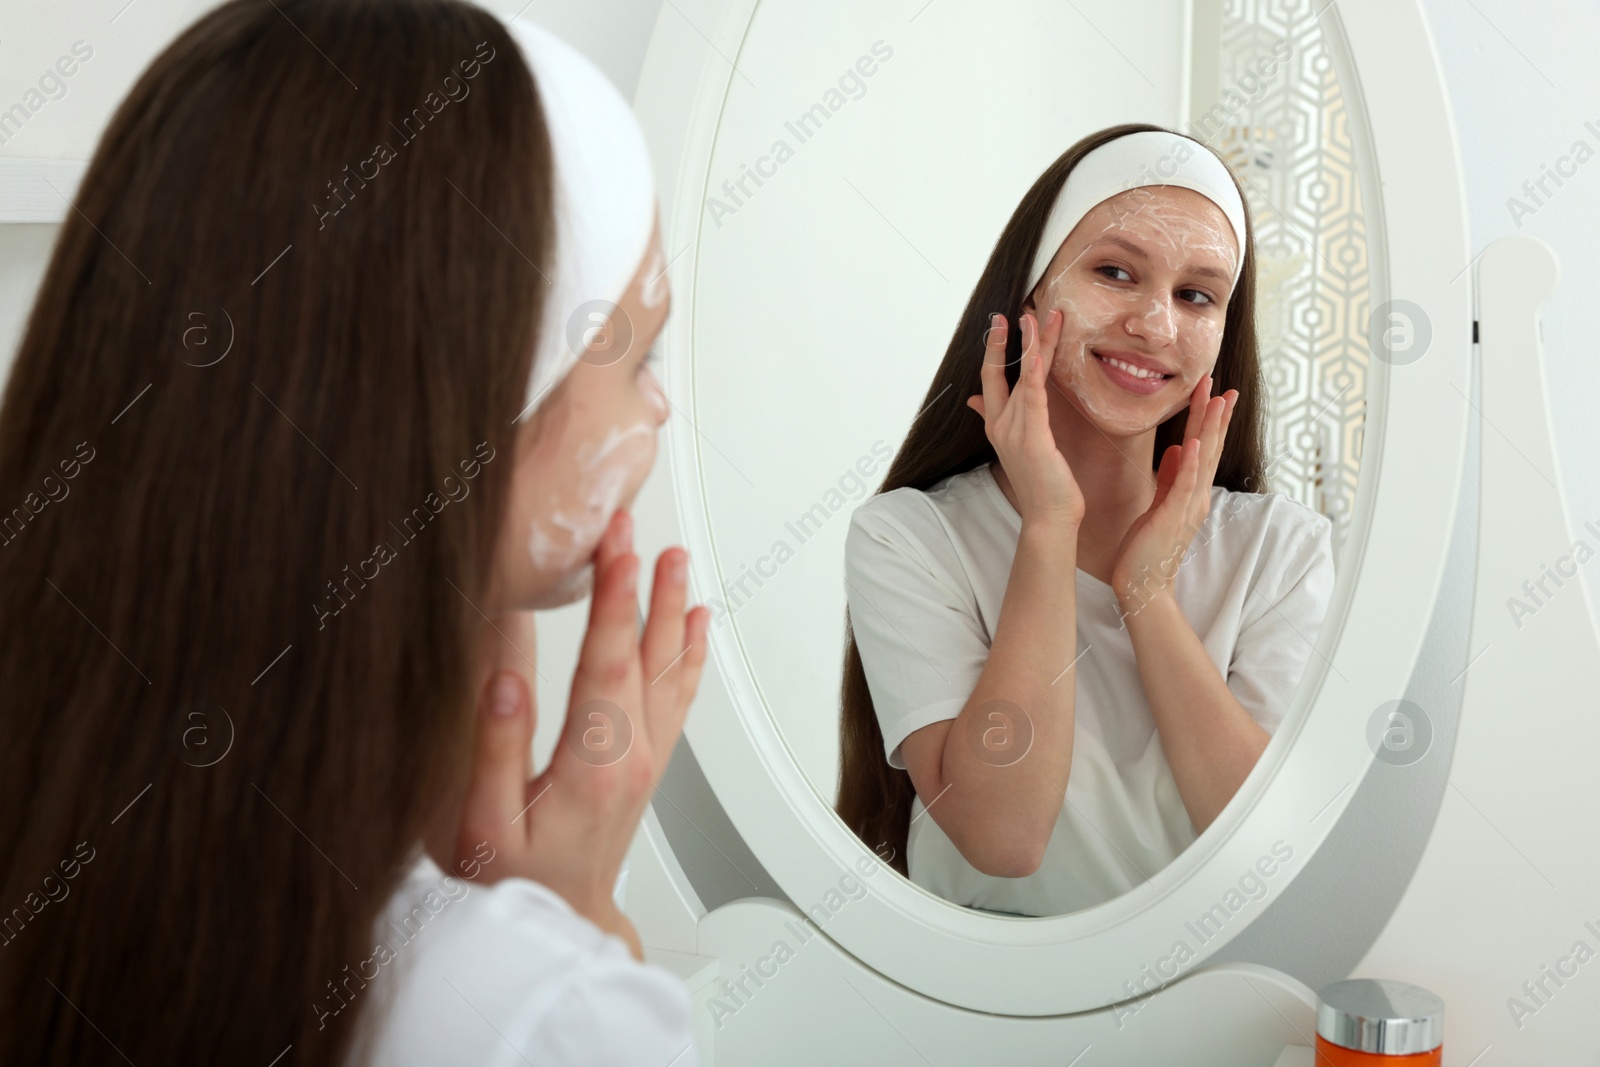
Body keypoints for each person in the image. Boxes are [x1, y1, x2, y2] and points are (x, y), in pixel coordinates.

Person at [0, 2, 707, 1065]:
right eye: (637, 352)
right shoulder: (543, 1019)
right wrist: (574, 928)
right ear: (465, 409)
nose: (658, 408)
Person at [836, 124, 1335, 917]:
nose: (1156, 325)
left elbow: (1261, 842)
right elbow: (1003, 839)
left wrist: (1148, 593)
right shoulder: (910, 537)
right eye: (1114, 271)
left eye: (1196, 294)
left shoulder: (1280, 550)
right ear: (1031, 291)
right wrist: (1047, 529)